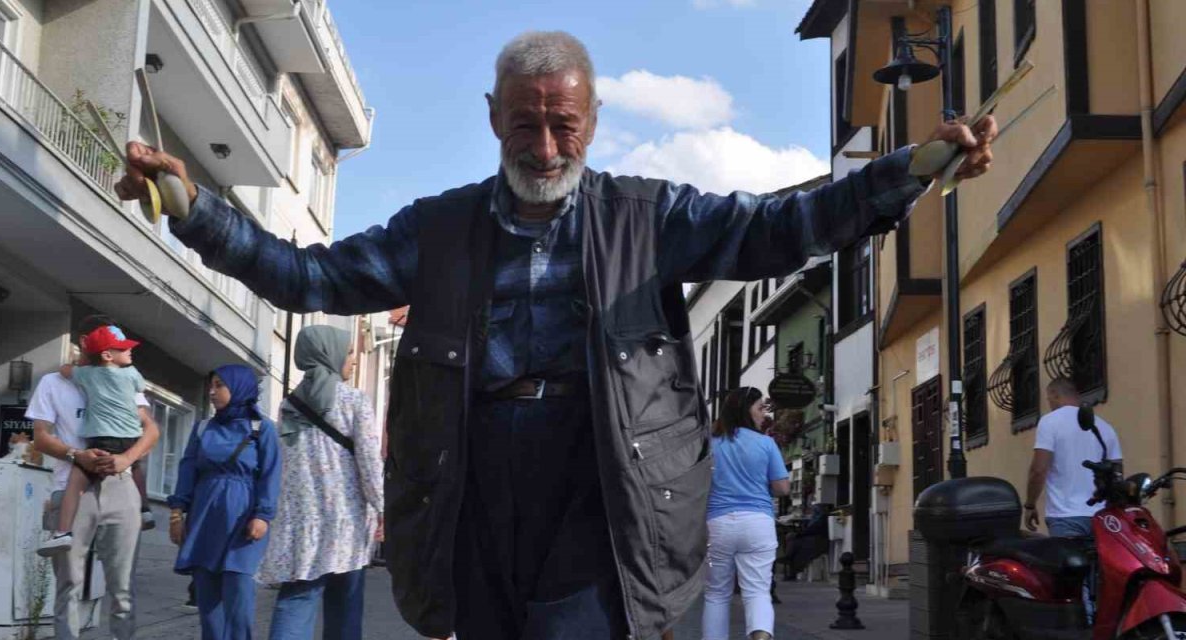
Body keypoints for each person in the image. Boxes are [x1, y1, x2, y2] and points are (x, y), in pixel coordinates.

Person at [115, 31, 996, 640]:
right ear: (494, 115)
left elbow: (782, 225)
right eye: (526, 123)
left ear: (594, 121)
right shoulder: (440, 228)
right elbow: (307, 276)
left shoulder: (648, 217)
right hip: (471, 477)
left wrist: (910, 168)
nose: (544, 146)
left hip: (597, 478)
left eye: (562, 125)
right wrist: (193, 211)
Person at [28, 315, 160, 640]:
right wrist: (77, 455)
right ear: (86, 342)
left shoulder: (122, 376)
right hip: (72, 487)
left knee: (123, 586)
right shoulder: (53, 383)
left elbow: (151, 429)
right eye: (108, 340)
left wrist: (125, 458)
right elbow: (40, 437)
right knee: (69, 583)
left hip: (121, 486)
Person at [259, 325, 385, 640]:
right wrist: (385, 507)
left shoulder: (290, 404)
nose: (353, 360)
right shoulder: (355, 401)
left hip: (302, 522)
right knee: (345, 606)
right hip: (346, 523)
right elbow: (370, 464)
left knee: (297, 599)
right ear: (329, 353)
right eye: (350, 352)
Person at [169, 365, 281, 640]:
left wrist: (263, 515)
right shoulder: (203, 428)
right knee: (208, 602)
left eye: (220, 385)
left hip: (244, 519)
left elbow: (271, 473)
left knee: (239, 595)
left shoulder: (261, 428)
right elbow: (187, 470)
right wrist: (176, 513)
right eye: (211, 385)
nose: (212, 391)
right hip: (205, 517)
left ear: (239, 387)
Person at [38, 324, 147, 556]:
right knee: (137, 466)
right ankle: (146, 508)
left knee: (76, 480)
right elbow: (40, 439)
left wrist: (78, 456)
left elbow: (66, 371)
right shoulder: (130, 375)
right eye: (123, 347)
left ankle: (62, 533)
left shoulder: (87, 375)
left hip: (104, 446)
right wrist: (128, 458)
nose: (129, 351)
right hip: (128, 440)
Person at [1024, 377, 1121, 621]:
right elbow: (1117, 473)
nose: (1049, 404)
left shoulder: (1050, 422)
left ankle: (1076, 627)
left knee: (1069, 583)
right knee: (1099, 579)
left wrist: (1030, 504)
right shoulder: (1104, 426)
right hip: (1101, 517)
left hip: (1065, 517)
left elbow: (1039, 469)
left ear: (1055, 396)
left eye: (1049, 399)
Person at [702, 388, 790, 640]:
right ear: (745, 409)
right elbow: (782, 487)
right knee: (757, 591)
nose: (765, 414)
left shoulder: (710, 444)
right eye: (761, 407)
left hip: (717, 524)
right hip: (757, 523)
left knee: (716, 593)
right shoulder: (765, 443)